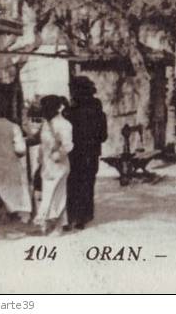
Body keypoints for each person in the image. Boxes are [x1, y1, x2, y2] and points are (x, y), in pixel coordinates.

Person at [65, 76, 107, 231]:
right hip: (91, 152)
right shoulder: (98, 110)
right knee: (87, 183)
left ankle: (72, 216)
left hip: (74, 153)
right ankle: (84, 216)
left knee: (73, 184)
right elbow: (103, 136)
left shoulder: (70, 111)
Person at [35, 94, 74, 235]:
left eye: (45, 108)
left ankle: (57, 226)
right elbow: (42, 144)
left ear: (54, 109)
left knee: (57, 194)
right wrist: (40, 157)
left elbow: (68, 145)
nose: (43, 111)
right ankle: (51, 224)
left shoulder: (64, 124)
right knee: (48, 194)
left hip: (59, 165)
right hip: (47, 165)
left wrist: (58, 155)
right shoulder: (46, 124)